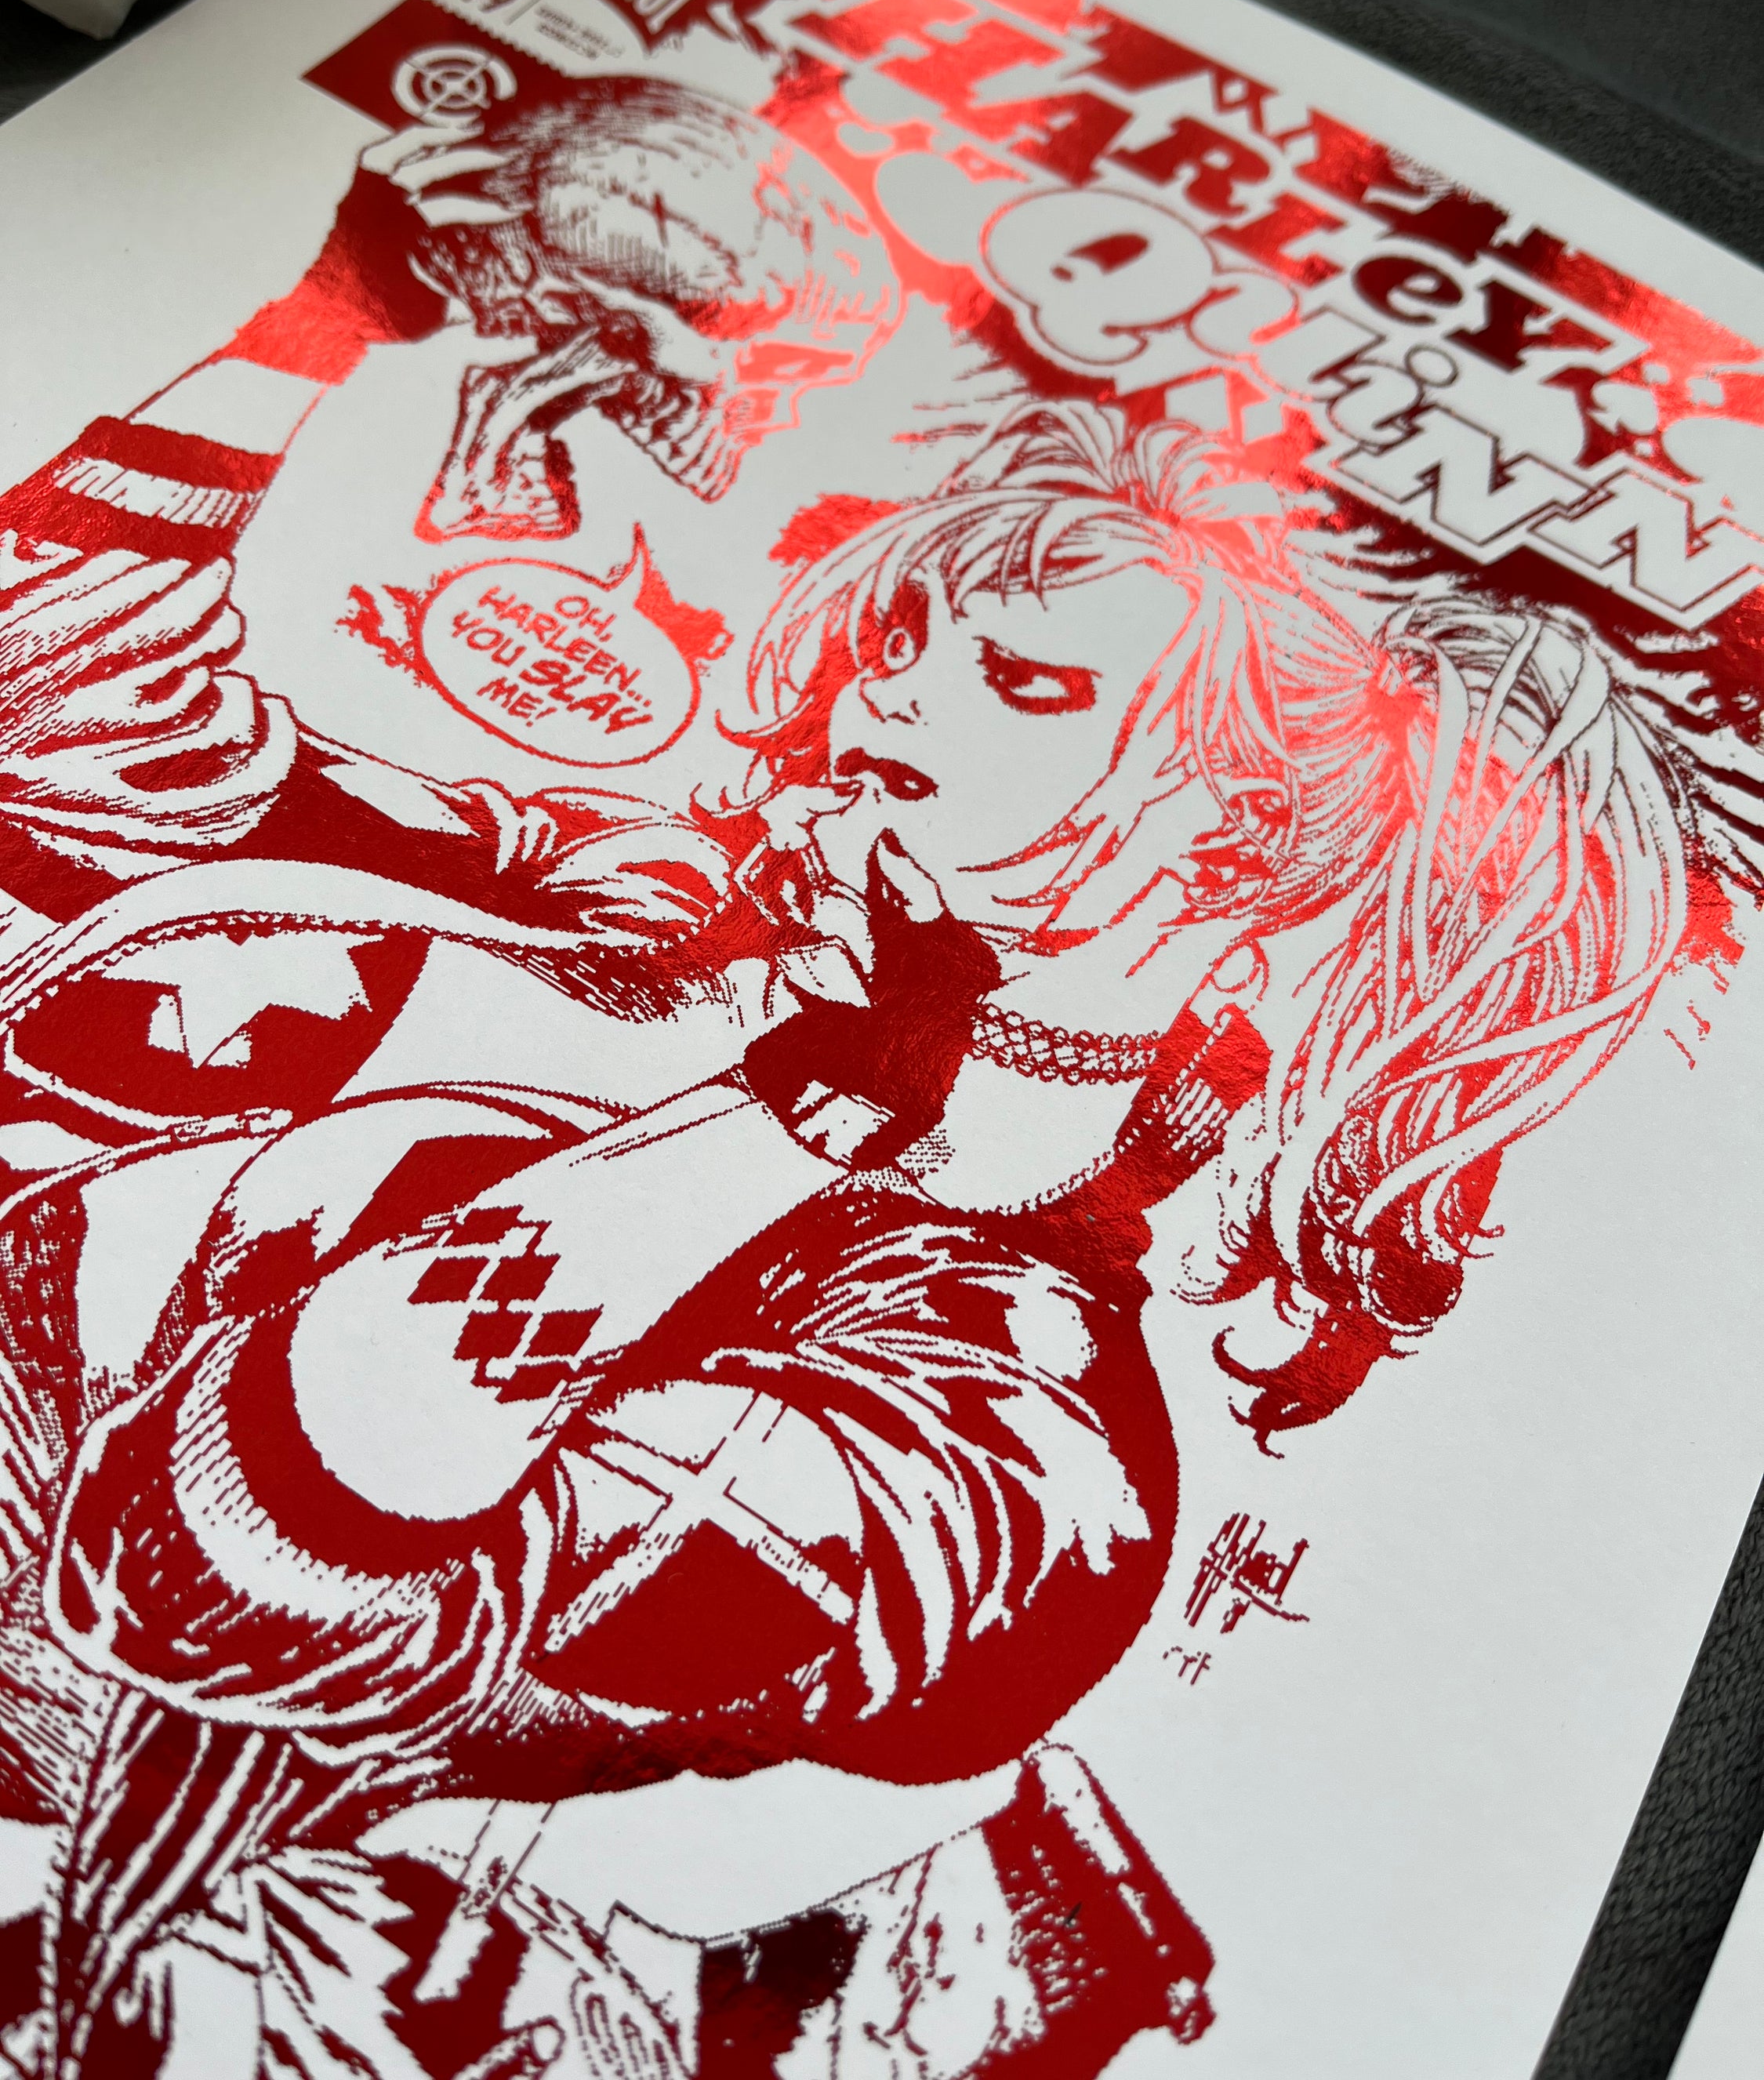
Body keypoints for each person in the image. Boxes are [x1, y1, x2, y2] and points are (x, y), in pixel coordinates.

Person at [0, 396, 1714, 2075]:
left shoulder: (1020, 1444)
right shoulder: (633, 904)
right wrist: (323, 328)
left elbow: (223, 1578)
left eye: (1022, 682)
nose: (889, 689)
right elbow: (72, 737)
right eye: (911, 638)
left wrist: (802, 1114)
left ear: (1228, 847)